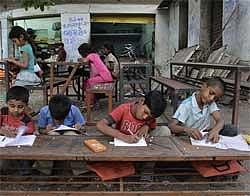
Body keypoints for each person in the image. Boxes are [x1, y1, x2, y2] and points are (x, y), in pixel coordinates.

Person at [169, 77, 238, 143]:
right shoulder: (187, 105)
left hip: (204, 135)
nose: (211, 98)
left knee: (231, 129)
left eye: (215, 98)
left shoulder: (210, 103)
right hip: (188, 136)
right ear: (203, 86)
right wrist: (186, 130)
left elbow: (220, 120)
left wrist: (215, 130)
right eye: (211, 93)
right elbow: (172, 126)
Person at [34, 94, 87, 175]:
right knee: (52, 136)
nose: (59, 122)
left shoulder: (74, 110)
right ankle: (44, 170)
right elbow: (40, 129)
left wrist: (80, 128)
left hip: (70, 134)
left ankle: (80, 171)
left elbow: (83, 128)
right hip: (52, 134)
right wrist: (45, 130)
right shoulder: (44, 111)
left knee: (72, 136)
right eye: (56, 119)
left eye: (62, 118)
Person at [96, 90, 167, 143]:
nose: (145, 117)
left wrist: (147, 127)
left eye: (149, 116)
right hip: (122, 143)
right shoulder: (123, 109)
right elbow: (100, 125)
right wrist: (123, 136)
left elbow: (152, 127)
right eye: (145, 112)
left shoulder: (151, 116)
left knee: (165, 130)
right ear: (141, 100)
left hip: (141, 149)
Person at [0, 86, 35, 175]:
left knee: (24, 156)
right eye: (12, 106)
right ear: (7, 103)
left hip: (20, 145)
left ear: (26, 106)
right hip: (4, 143)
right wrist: (2, 130)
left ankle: (25, 170)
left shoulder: (26, 119)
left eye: (20, 107)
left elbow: (31, 129)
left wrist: (19, 131)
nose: (16, 110)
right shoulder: (3, 112)